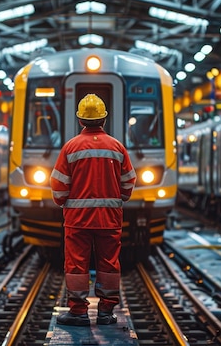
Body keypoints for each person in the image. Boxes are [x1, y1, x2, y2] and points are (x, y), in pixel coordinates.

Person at [50, 93, 136, 326]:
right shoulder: (116, 147)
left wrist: (64, 202)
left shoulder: (71, 147)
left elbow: (58, 185)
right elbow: (129, 181)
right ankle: (106, 313)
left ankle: (78, 312)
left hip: (77, 219)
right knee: (109, 263)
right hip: (109, 218)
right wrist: (118, 199)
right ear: (104, 120)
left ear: (80, 120)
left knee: (77, 264)